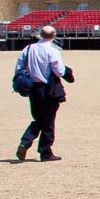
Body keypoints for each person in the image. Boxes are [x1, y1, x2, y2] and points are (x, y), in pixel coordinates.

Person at [16, 26, 72, 162]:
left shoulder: (28, 49)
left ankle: (25, 142)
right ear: (53, 36)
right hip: (48, 89)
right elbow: (59, 71)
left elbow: (19, 67)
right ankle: (45, 151)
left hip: (33, 88)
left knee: (38, 119)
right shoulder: (52, 51)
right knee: (48, 122)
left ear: (40, 35)